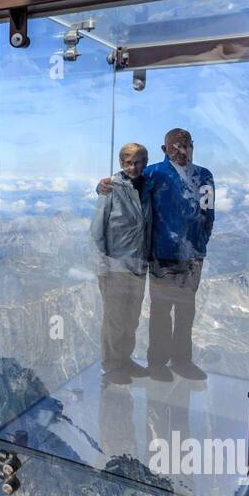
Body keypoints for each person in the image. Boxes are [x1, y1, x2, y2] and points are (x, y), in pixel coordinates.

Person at [97, 127, 213, 381]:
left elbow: (208, 213)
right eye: (176, 147)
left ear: (193, 146)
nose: (182, 151)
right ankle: (157, 363)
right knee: (161, 312)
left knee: (186, 311)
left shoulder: (204, 176)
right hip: (161, 255)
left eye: (186, 145)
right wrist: (103, 185)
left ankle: (182, 360)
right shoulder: (154, 174)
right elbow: (128, 181)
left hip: (192, 256)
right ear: (165, 150)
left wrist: (201, 242)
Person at [90, 142, 152, 383]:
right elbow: (96, 231)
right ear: (120, 163)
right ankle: (112, 365)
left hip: (138, 265)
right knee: (114, 319)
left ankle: (125, 359)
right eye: (127, 162)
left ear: (145, 163)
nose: (132, 167)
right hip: (115, 266)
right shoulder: (111, 189)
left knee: (131, 317)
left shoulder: (147, 186)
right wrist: (101, 266)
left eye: (137, 162)